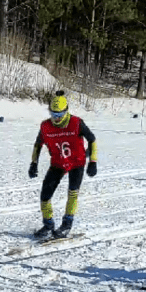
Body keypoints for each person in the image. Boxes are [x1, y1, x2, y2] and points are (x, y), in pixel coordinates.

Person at [28, 91, 98, 239]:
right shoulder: (45, 126)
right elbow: (38, 144)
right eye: (53, 115)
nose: (56, 119)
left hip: (76, 162)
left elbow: (92, 139)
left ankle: (67, 224)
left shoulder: (76, 122)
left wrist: (93, 161)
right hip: (58, 163)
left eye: (59, 115)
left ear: (66, 111)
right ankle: (48, 225)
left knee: (72, 193)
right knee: (45, 196)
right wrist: (33, 163)